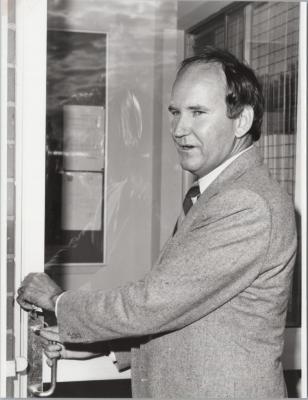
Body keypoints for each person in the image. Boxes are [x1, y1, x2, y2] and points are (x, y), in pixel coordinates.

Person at [17, 46, 297, 398]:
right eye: (176, 112)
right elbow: (197, 318)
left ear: (241, 120)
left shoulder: (245, 203)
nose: (179, 129)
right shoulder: (216, 193)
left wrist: (59, 302)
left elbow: (155, 302)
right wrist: (108, 348)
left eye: (197, 112)